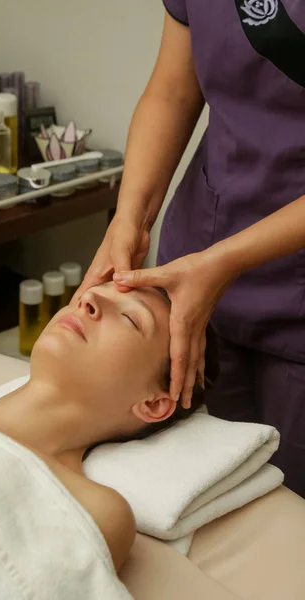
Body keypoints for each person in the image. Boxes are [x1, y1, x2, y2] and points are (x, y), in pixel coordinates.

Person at [76, 2, 305, 497]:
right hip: (199, 254)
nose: (88, 303)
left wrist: (224, 260)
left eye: (131, 319)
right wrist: (129, 217)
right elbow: (173, 91)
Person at [0, 283, 214, 574]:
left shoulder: (92, 511)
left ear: (154, 404)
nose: (88, 298)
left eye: (130, 318)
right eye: (98, 290)